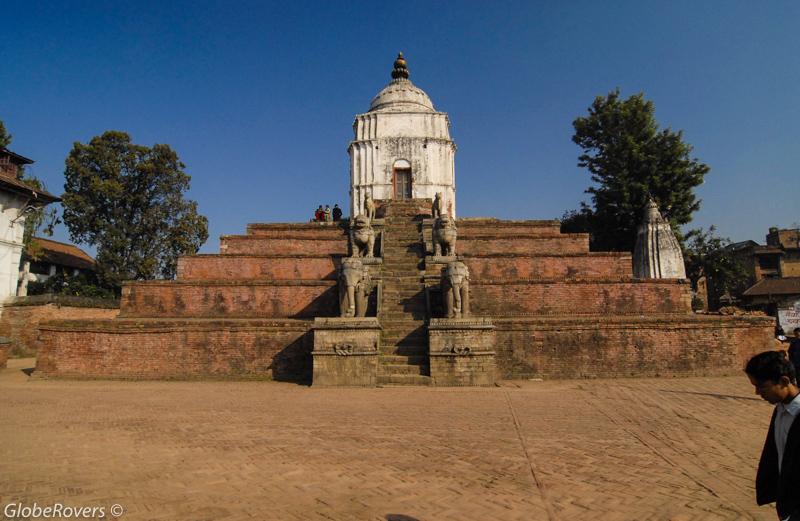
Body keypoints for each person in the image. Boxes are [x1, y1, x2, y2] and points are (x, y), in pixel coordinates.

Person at [744, 350, 800, 520]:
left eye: (761, 386)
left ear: (784, 381)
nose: (757, 393)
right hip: (788, 503)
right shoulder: (781, 410)